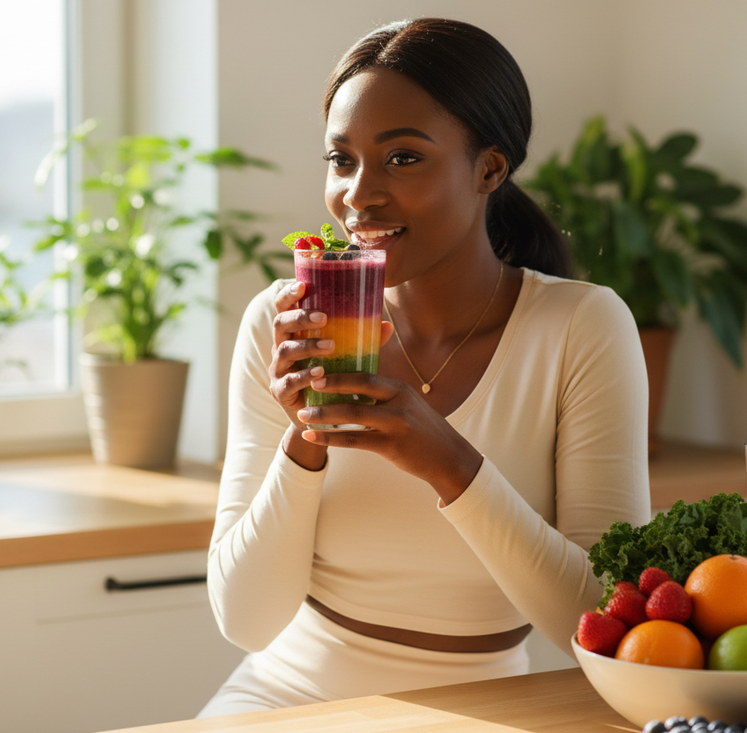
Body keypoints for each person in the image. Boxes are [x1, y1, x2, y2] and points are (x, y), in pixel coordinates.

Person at [198, 17, 651, 717]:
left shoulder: (580, 327)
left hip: (491, 705)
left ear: (490, 169)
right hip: (285, 695)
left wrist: (451, 463)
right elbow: (245, 619)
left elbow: (603, 616)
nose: (358, 195)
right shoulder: (282, 323)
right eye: (341, 159)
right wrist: (304, 441)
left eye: (402, 157)